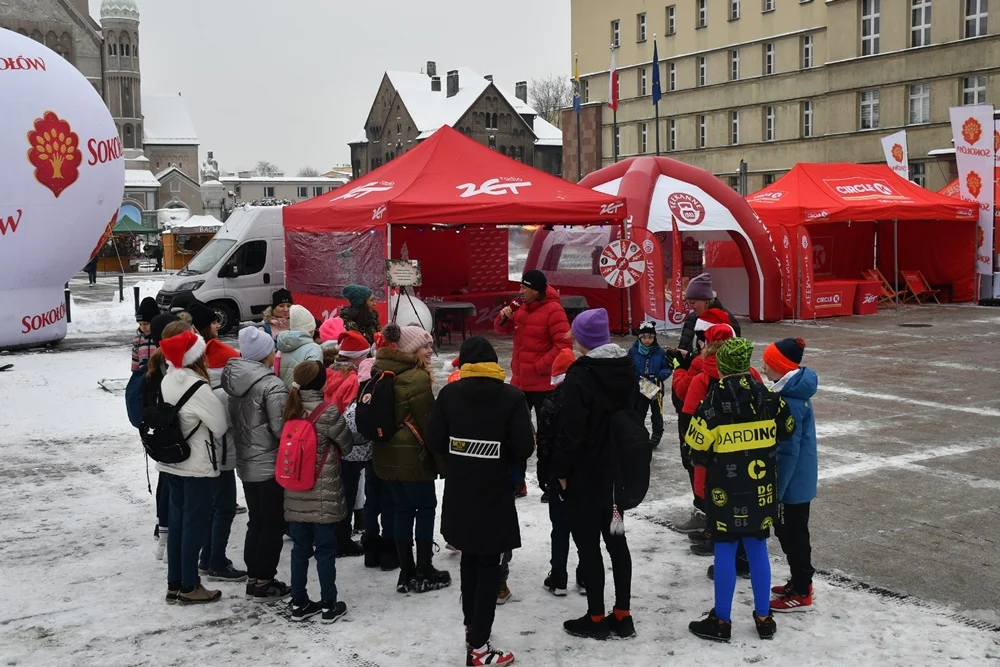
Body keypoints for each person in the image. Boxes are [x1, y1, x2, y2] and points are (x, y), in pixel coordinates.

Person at [426, 336, 534, 667]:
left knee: (469, 560)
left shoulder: (450, 394)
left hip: (460, 490)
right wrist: (499, 454)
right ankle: (479, 649)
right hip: (494, 492)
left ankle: (472, 630)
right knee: (489, 566)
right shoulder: (511, 396)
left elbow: (434, 440)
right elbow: (524, 447)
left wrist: (461, 452)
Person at [686, 337, 795, 642]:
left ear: (721, 367)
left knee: (725, 548)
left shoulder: (712, 402)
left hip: (725, 491)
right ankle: (764, 617)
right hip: (761, 489)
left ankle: (721, 620)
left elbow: (695, 448)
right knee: (758, 548)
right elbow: (788, 428)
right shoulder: (769, 398)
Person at [552, 308, 638, 641]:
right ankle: (623, 614)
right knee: (617, 541)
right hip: (616, 477)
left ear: (583, 339)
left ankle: (596, 616)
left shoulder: (581, 375)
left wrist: (561, 471)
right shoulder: (627, 368)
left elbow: (570, 431)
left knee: (588, 545)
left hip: (586, 477)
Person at [152, 329, 229, 605]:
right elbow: (220, 426)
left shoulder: (167, 379)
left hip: (171, 461)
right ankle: (189, 586)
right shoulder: (198, 387)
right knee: (194, 526)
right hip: (196, 465)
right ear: (195, 357)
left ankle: (174, 583)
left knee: (177, 524)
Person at [372, 323, 448, 594]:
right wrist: (441, 463)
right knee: (425, 507)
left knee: (402, 509)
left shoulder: (380, 371)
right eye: (425, 346)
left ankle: (406, 572)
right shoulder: (416, 378)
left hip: (385, 454)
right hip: (412, 456)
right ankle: (424, 569)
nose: (429, 351)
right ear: (410, 349)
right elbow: (429, 424)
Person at [222, 326, 291, 602]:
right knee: (273, 523)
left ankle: (254, 577)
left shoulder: (236, 383)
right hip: (270, 464)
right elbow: (281, 428)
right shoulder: (271, 385)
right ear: (265, 354)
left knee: (257, 521)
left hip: (247, 463)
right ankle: (264, 581)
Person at [282, 361, 353, 623]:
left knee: (300, 549)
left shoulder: (289, 407)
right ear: (321, 383)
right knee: (324, 550)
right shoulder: (327, 412)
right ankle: (328, 605)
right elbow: (347, 445)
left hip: (294, 490)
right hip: (323, 493)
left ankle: (299, 603)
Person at [494, 269, 571, 496]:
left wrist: (537, 366)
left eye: (524, 288)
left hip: (543, 386)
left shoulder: (554, 310)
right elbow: (499, 328)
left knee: (547, 437)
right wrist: (503, 316)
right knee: (515, 435)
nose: (520, 291)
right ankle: (517, 483)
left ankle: (549, 484)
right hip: (519, 384)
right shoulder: (520, 306)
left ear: (536, 291)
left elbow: (564, 347)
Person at [761, 338, 818, 613]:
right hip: (799, 481)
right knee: (794, 532)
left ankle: (802, 590)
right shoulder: (793, 393)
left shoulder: (789, 402)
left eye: (768, 364)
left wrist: (777, 491)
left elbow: (788, 452)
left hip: (792, 485)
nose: (763, 368)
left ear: (781, 367)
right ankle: (799, 581)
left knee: (792, 535)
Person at [669, 308, 736, 536]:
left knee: (702, 478)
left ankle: (708, 524)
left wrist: (679, 369)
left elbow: (685, 401)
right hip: (738, 446)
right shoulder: (749, 373)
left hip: (704, 442)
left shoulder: (702, 371)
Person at [196, 310, 244, 583]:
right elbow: (231, 425)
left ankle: (207, 557)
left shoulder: (203, 387)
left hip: (207, 457)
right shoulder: (225, 394)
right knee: (224, 509)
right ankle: (216, 560)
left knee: (212, 508)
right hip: (222, 458)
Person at [536, 347, 583, 597]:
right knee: (585, 528)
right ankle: (585, 576)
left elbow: (544, 443)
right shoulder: (588, 399)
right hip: (586, 475)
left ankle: (558, 577)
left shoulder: (551, 402)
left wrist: (544, 477)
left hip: (558, 476)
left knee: (560, 528)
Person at [324, 330, 372, 559]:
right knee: (349, 491)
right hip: (346, 444)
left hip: (328, 439)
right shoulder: (353, 379)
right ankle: (342, 540)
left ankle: (334, 535)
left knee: (336, 491)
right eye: (365, 355)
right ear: (356, 357)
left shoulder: (328, 372)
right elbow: (351, 415)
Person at [354, 357, 398, 572]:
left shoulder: (365, 387)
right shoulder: (390, 386)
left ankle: (371, 549)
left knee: (372, 500)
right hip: (388, 451)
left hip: (372, 450)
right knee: (389, 501)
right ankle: (389, 551)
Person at [145, 313, 179, 558]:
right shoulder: (163, 370)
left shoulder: (155, 365)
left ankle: (163, 529)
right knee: (170, 487)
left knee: (166, 484)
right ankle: (167, 537)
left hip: (163, 439)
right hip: (172, 439)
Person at [628, 322, 671, 449]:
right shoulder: (633, 351)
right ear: (640, 337)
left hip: (656, 387)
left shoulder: (660, 352)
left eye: (650, 337)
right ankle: (639, 435)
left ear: (654, 337)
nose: (647, 340)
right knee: (639, 412)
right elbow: (628, 367)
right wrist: (636, 376)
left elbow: (667, 368)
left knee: (657, 413)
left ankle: (656, 435)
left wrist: (658, 375)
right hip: (640, 386)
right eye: (644, 337)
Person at [677, 273, 741, 356]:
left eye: (693, 302)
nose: (690, 307)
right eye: (688, 303)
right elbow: (684, 347)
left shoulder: (727, 322)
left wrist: (691, 357)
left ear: (706, 301)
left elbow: (729, 358)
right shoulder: (692, 318)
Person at [276, 305, 323, 386]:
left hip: (283, 391)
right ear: (311, 329)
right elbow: (314, 380)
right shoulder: (314, 349)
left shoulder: (282, 347)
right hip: (302, 393)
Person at [131, 297, 159, 372]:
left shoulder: (160, 338)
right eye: (140, 324)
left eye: (146, 324)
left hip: (158, 375)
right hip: (142, 375)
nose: (143, 327)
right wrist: (135, 374)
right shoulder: (137, 340)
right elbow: (135, 361)